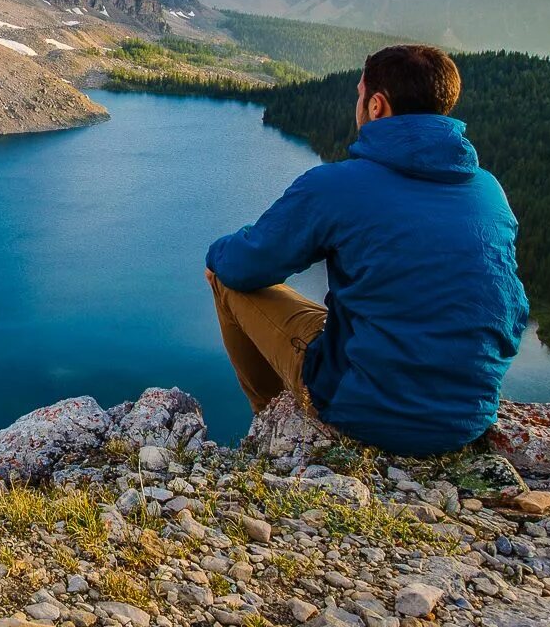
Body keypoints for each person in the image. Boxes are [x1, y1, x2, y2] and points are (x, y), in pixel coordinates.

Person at [204, 44, 528, 456]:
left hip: (365, 411)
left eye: (359, 95)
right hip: (469, 415)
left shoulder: (338, 185)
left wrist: (216, 254)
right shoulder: (488, 189)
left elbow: (245, 263)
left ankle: (275, 425)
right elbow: (513, 308)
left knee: (225, 281)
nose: (357, 104)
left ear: (376, 106)